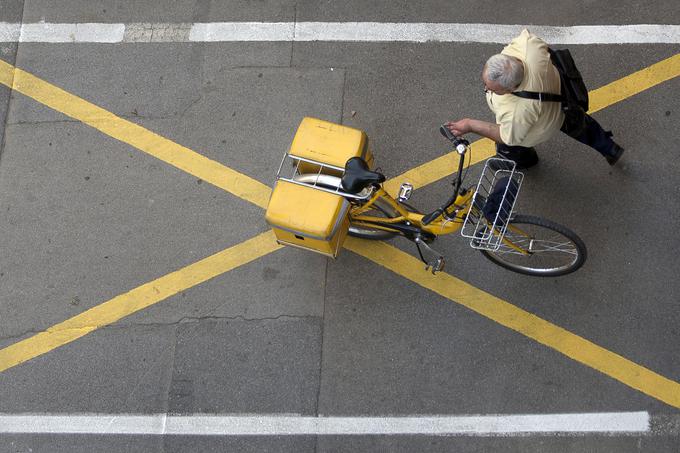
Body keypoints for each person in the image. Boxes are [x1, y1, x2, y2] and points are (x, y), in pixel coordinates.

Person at [445, 29, 624, 169]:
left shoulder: (517, 111)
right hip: (562, 100)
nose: (486, 90)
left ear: (513, 88)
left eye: (493, 90)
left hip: (542, 125)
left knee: (510, 148)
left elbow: (508, 137)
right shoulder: (528, 46)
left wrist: (469, 124)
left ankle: (525, 160)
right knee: (581, 125)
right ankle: (609, 148)